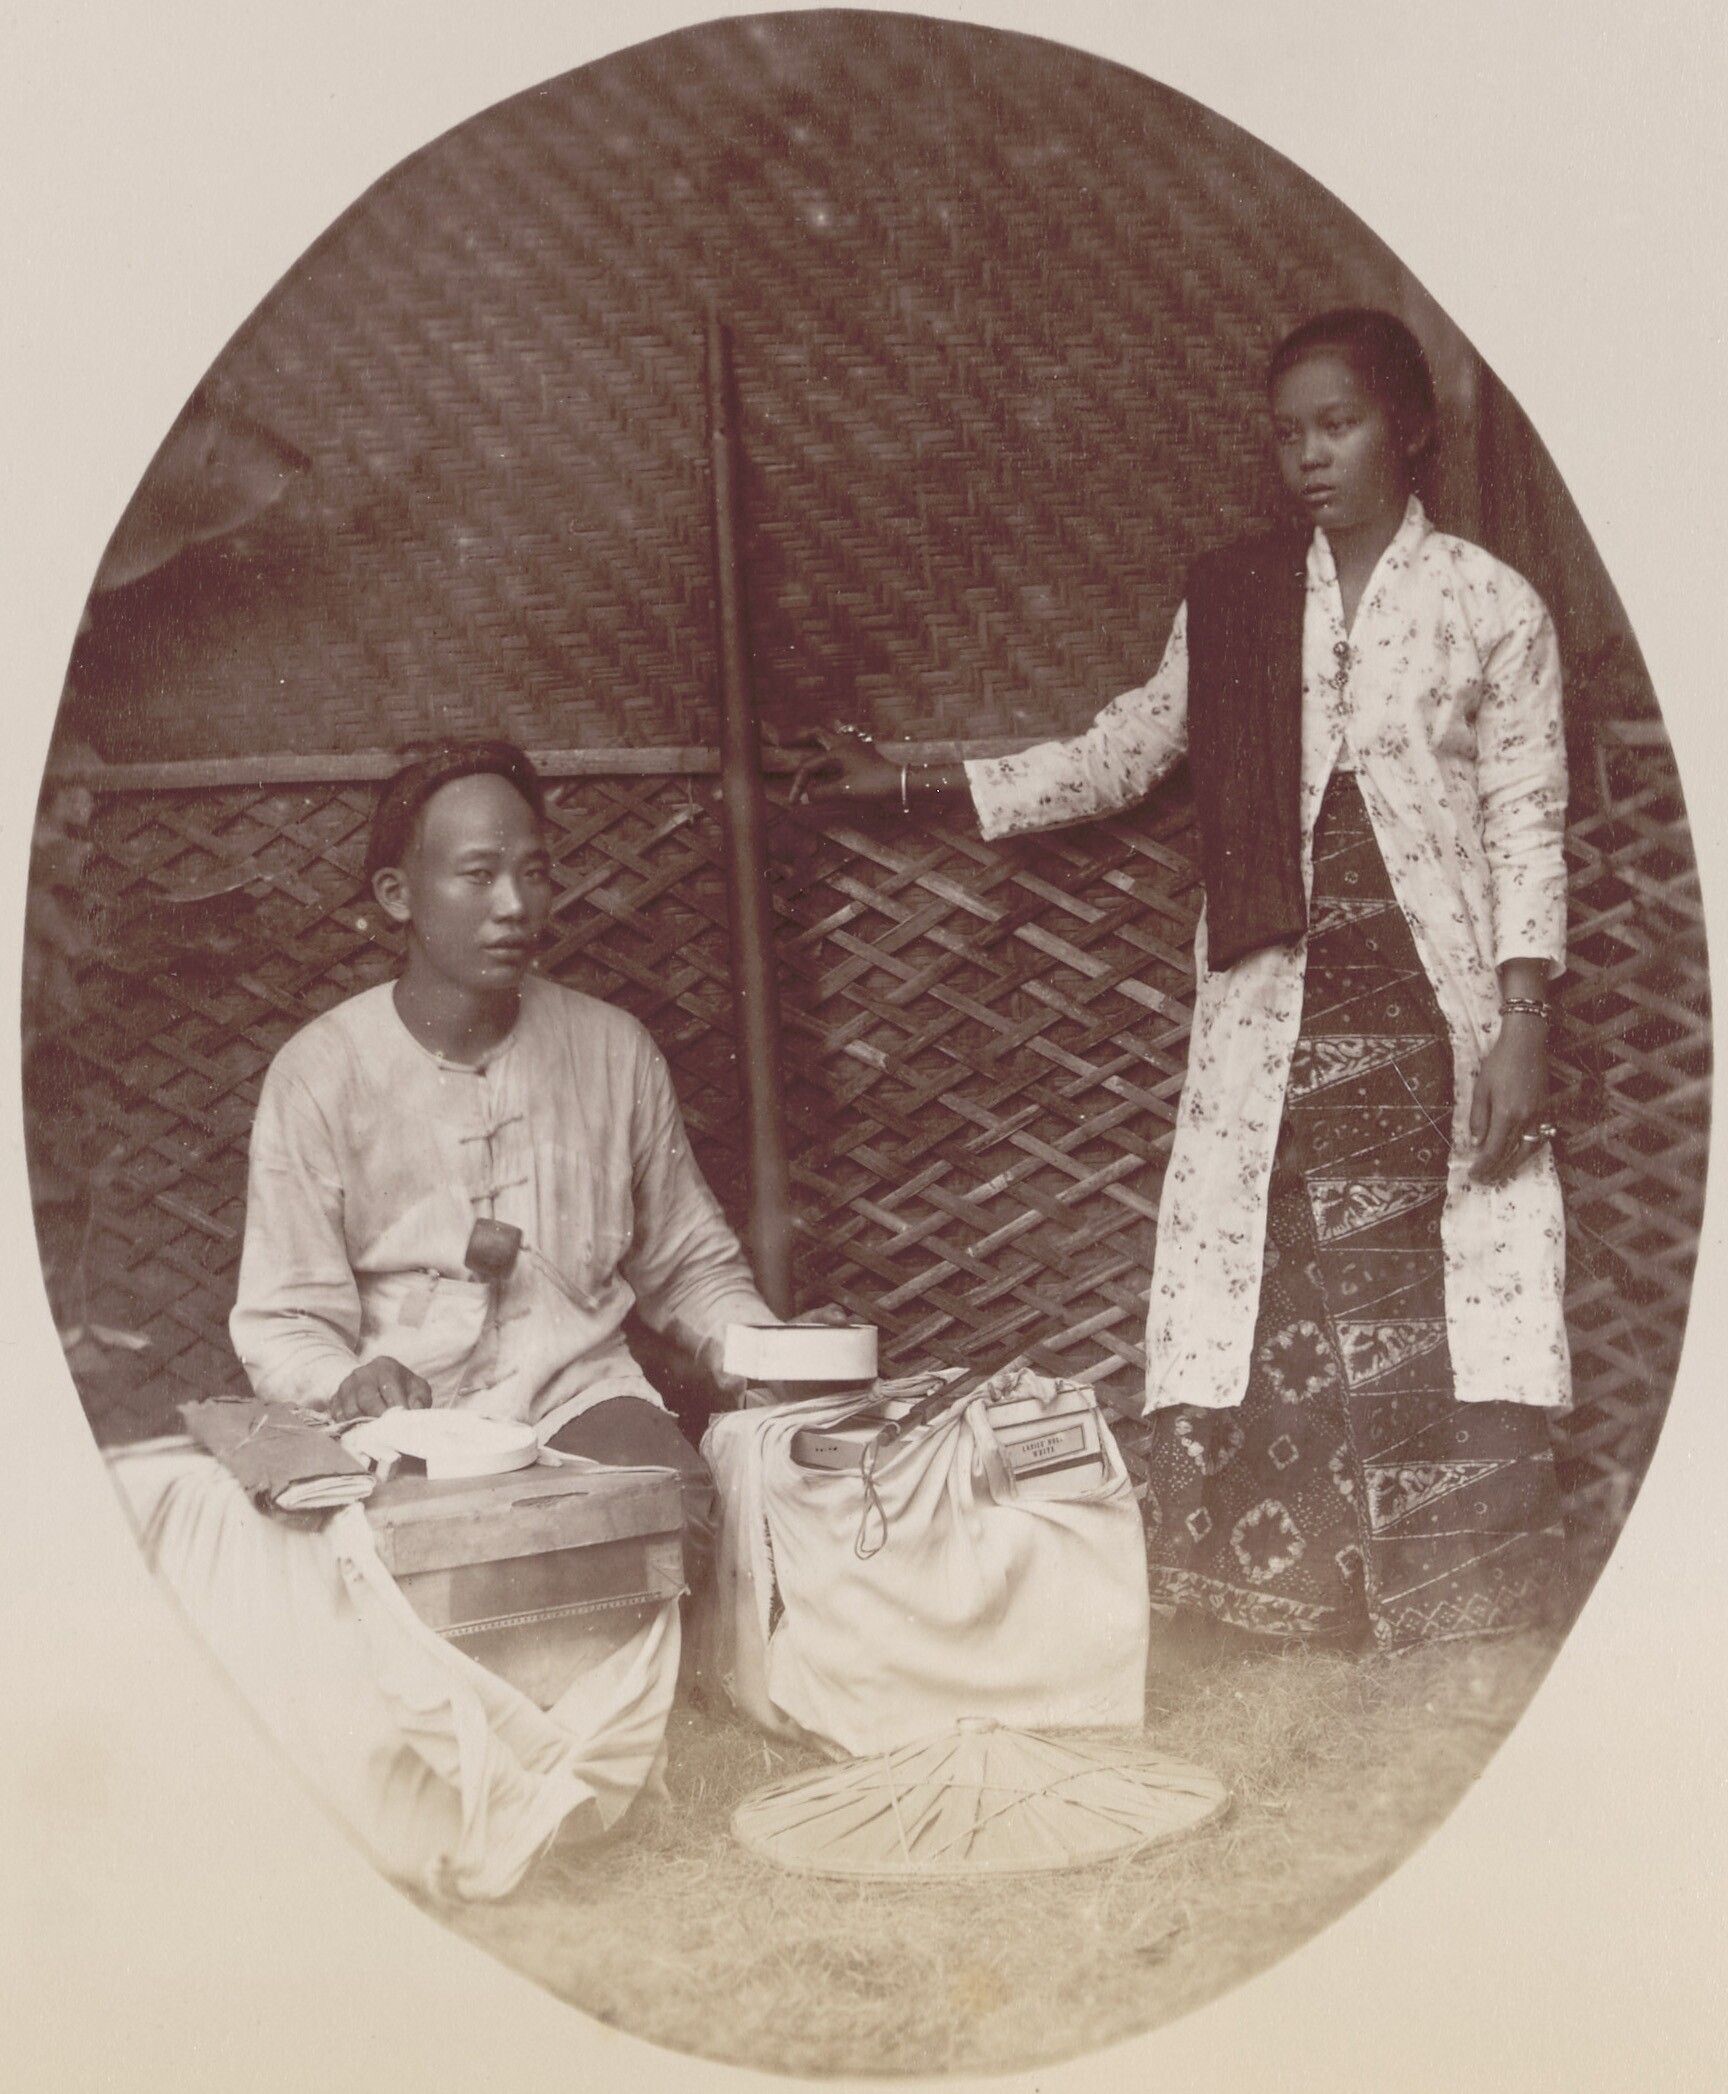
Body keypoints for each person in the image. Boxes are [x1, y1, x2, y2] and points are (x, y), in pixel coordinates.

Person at [790, 309, 1571, 1651]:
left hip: (1433, 1018)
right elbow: (1124, 752)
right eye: (1289, 434)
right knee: (1273, 1285)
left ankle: (1458, 1593)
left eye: (1339, 426)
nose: (1309, 456)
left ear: (1408, 429)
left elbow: (1525, 818)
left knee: (1438, 1288)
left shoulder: (1490, 607)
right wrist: (916, 784)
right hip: (1278, 1016)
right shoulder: (1239, 600)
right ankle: (1285, 1602)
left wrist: (1522, 1023)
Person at [230, 738, 783, 1583]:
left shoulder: (613, 1050)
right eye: (479, 875)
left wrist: (777, 1357)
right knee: (426, 1565)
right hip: (405, 1419)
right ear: (396, 895)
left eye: (534, 873)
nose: (516, 905)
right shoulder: (320, 1072)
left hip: (577, 1397)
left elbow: (689, 1266)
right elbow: (283, 1318)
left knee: (666, 1521)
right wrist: (350, 1378)